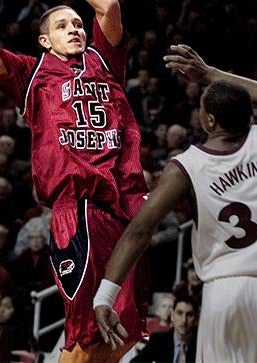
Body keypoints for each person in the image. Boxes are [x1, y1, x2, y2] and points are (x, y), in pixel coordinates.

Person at [0, 0, 149, 362]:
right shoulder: (33, 74)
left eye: (78, 24)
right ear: (44, 40)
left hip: (125, 208)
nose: (76, 29)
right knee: (91, 331)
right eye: (64, 25)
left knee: (123, 329)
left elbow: (107, 5)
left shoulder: (105, 59)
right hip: (78, 209)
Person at [94, 45, 257, 363]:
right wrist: (211, 73)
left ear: (209, 120)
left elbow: (139, 231)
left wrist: (106, 295)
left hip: (224, 291)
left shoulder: (187, 166)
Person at [131, 295, 198, 363]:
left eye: (189, 315)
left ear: (196, 319)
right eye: (179, 313)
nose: (184, 320)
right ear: (172, 315)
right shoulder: (158, 340)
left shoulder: (200, 344)